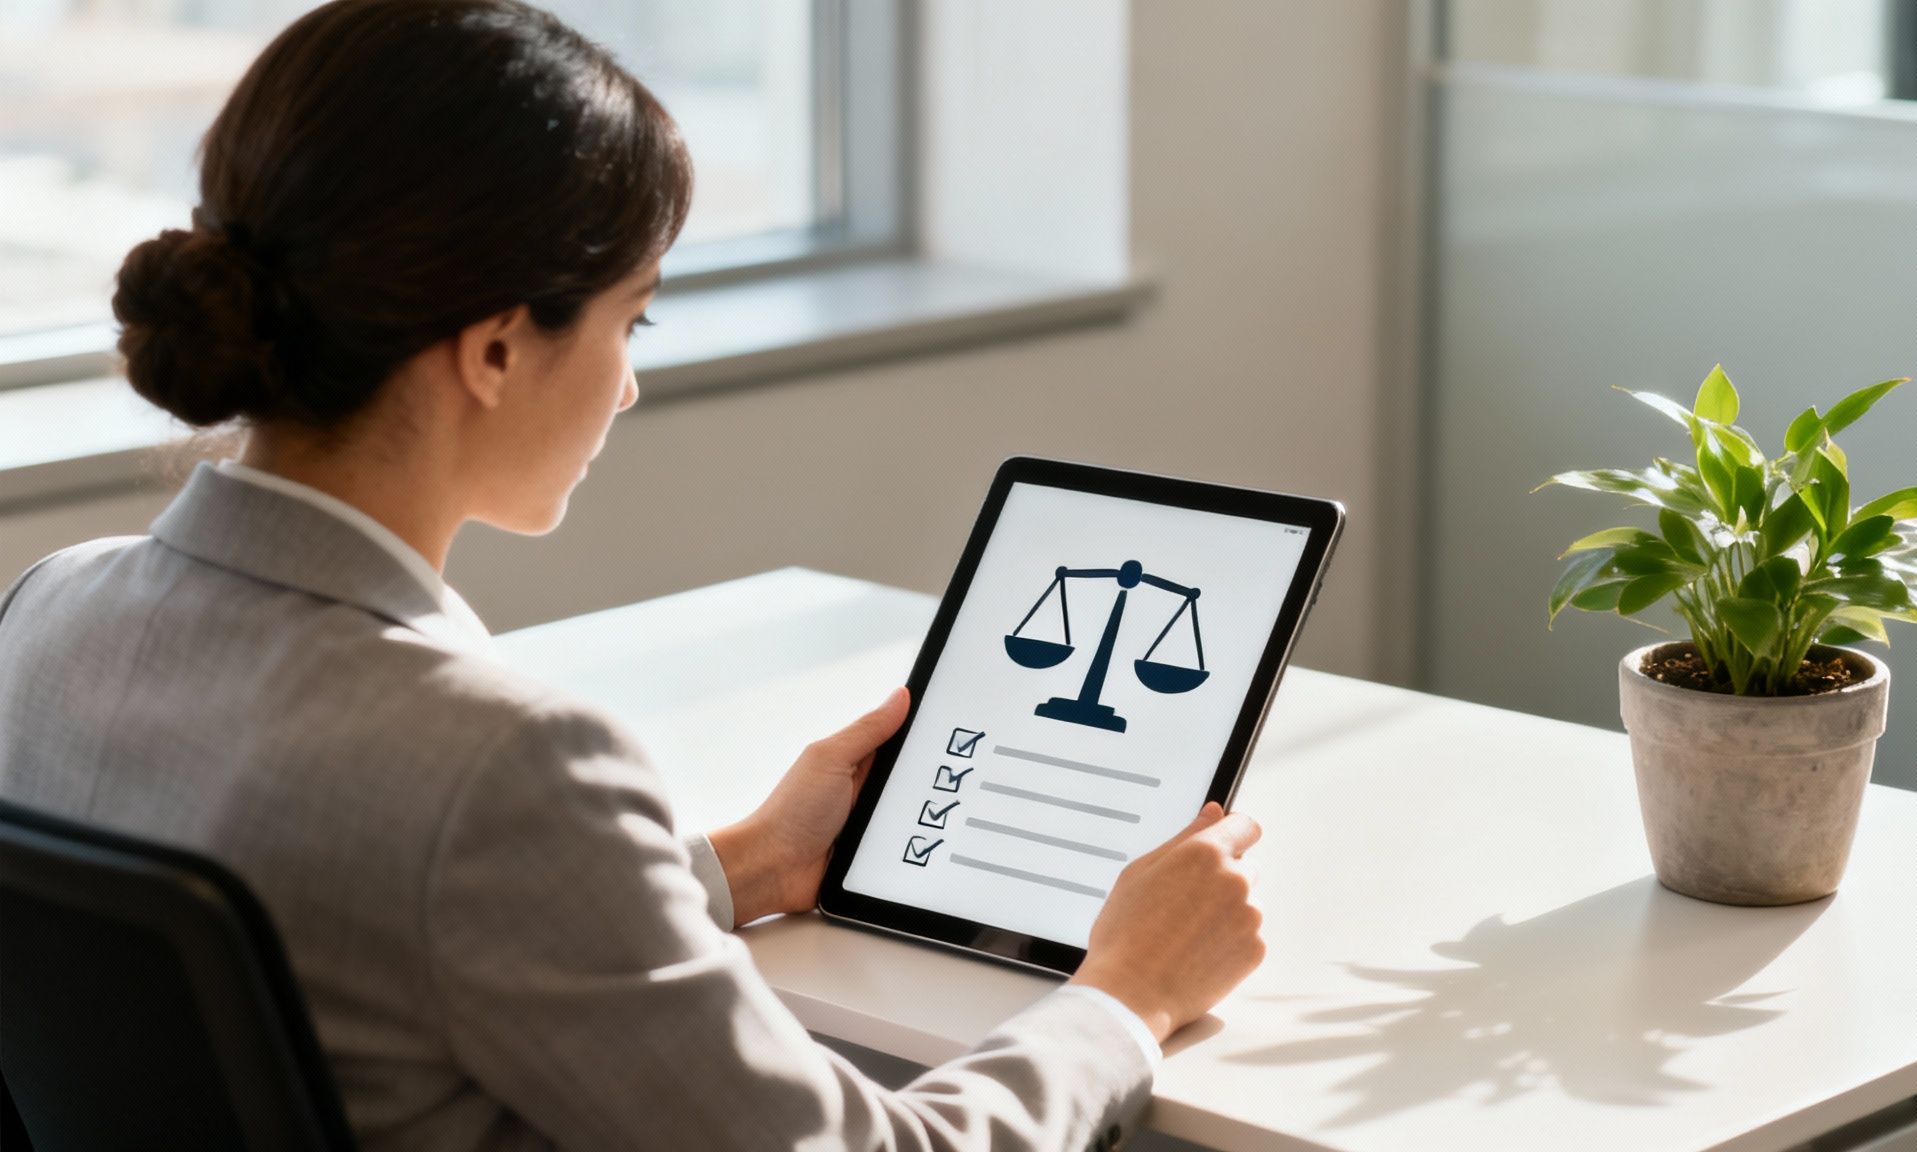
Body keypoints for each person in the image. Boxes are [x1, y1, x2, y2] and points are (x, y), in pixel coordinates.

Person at [0, 2, 1267, 1148]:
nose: (628, 385)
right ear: (497, 349)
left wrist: (749, 860)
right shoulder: (498, 764)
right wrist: (1128, 993)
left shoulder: (48, 611)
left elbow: (388, 929)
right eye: (631, 319)